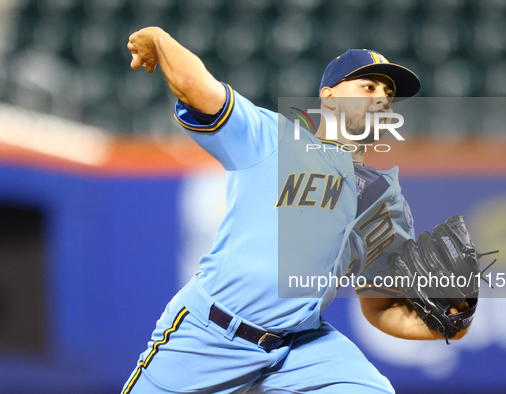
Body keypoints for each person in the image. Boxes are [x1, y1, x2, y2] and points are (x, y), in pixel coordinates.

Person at [122, 26, 468, 394]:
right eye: (369, 87)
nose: (382, 99)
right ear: (329, 98)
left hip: (301, 348)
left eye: (388, 94)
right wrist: (159, 39)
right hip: (212, 334)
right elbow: (193, 84)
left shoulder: (386, 198)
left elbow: (379, 307)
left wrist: (450, 322)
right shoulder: (273, 139)